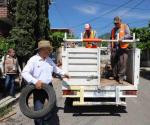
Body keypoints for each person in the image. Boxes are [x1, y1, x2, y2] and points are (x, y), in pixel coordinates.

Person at [22, 40, 70, 125]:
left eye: (49, 49)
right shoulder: (33, 60)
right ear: (40, 50)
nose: (48, 51)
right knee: (38, 111)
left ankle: (47, 121)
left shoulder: (49, 60)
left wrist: (64, 74)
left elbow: (55, 69)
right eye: (46, 49)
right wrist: (35, 81)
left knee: (52, 107)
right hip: (38, 88)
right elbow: (24, 73)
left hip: (49, 87)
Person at [110, 16, 131, 84]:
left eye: (117, 23)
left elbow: (129, 35)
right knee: (113, 61)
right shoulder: (113, 29)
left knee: (122, 63)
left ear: (120, 22)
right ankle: (115, 75)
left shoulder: (125, 26)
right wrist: (109, 47)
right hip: (115, 47)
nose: (116, 24)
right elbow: (111, 38)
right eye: (115, 23)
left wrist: (123, 37)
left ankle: (121, 77)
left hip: (123, 47)